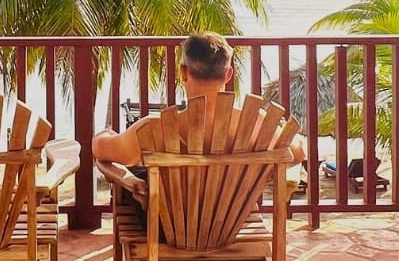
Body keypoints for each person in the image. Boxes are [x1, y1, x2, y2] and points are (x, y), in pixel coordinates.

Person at [92, 32, 306, 167]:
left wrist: (105, 133)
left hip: (170, 229)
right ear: (228, 74)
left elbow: (103, 150)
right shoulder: (254, 124)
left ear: (184, 73)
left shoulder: (155, 128)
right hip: (231, 226)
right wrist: (293, 137)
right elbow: (297, 153)